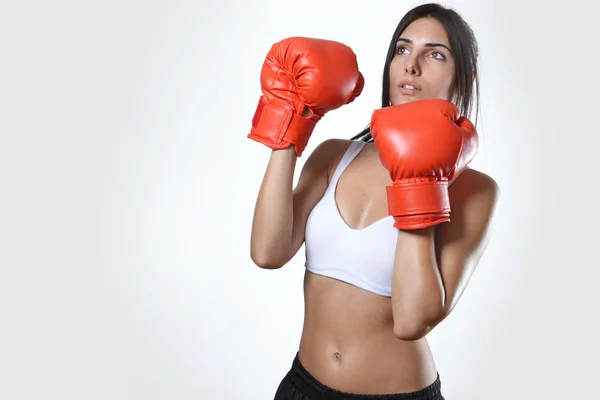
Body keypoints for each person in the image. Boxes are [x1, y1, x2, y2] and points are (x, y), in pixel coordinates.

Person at [247, 3, 499, 399]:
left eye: (435, 54)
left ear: (463, 77)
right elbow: (267, 252)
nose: (410, 65)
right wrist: (288, 121)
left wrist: (420, 179)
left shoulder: (474, 190)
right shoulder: (336, 155)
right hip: (302, 385)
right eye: (402, 49)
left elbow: (412, 319)